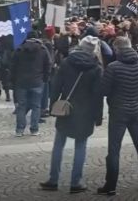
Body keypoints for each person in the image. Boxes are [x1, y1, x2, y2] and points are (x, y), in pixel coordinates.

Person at [40, 36, 104, 194]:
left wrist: (53, 104)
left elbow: (56, 85)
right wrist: (98, 116)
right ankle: (76, 182)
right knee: (80, 146)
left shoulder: (67, 62)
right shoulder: (96, 67)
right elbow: (98, 95)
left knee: (58, 145)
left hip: (65, 108)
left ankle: (53, 179)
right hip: (86, 110)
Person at [97, 36, 138, 196]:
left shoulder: (113, 68)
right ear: (130, 46)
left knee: (114, 150)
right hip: (137, 111)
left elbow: (104, 91)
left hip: (118, 111)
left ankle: (111, 186)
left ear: (117, 49)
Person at [11, 35, 53, 137]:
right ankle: (34, 129)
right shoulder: (43, 50)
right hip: (37, 81)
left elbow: (13, 66)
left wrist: (12, 81)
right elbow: (48, 64)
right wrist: (45, 78)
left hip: (21, 82)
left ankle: (19, 130)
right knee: (36, 106)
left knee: (21, 106)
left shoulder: (19, 49)